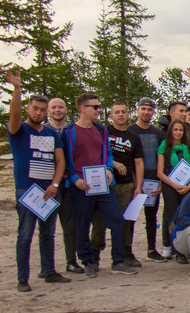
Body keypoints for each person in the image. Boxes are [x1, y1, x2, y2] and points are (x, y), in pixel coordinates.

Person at [6, 70, 70, 292]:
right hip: (27, 190)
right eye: (36, 108)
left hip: (49, 191)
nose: (40, 112)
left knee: (48, 233)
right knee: (25, 235)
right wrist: (17, 89)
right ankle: (22, 278)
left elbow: (60, 161)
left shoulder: (51, 134)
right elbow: (14, 116)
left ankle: (49, 271)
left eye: (43, 110)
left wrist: (54, 184)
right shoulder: (20, 130)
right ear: (28, 108)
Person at [63, 93, 136, 277]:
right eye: (94, 107)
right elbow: (63, 161)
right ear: (82, 108)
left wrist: (109, 169)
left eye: (98, 106)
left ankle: (118, 261)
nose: (98, 110)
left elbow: (108, 153)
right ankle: (88, 262)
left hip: (103, 186)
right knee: (83, 225)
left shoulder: (101, 130)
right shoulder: (69, 132)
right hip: (81, 186)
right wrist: (74, 179)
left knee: (118, 221)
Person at [93, 102, 144, 269]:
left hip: (126, 184)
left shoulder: (133, 137)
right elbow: (96, 154)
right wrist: (113, 163)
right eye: (117, 112)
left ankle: (124, 255)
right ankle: (95, 256)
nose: (121, 115)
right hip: (103, 184)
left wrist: (138, 186)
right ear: (111, 116)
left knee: (126, 221)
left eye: (124, 112)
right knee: (99, 222)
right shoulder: (103, 132)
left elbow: (138, 163)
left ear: (128, 115)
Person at [128, 97, 167, 262]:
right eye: (143, 109)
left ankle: (152, 249)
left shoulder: (158, 134)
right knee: (130, 216)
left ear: (153, 112)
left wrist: (161, 182)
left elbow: (162, 158)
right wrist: (135, 181)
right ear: (137, 110)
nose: (146, 112)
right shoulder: (130, 131)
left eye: (149, 110)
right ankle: (126, 252)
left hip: (152, 180)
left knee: (151, 216)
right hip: (134, 180)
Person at [157, 119, 190, 264]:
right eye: (175, 130)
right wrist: (174, 185)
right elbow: (160, 172)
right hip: (170, 186)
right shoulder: (164, 147)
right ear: (170, 131)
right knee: (172, 217)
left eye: (180, 130)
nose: (178, 132)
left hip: (188, 186)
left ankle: (187, 248)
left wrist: (189, 185)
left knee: (187, 215)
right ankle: (176, 250)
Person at [48, 97, 79, 273]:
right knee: (47, 227)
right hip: (48, 184)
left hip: (69, 183)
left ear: (66, 110)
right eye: (54, 107)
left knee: (70, 224)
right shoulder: (43, 130)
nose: (57, 110)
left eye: (61, 107)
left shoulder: (72, 130)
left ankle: (71, 260)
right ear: (48, 111)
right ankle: (48, 265)